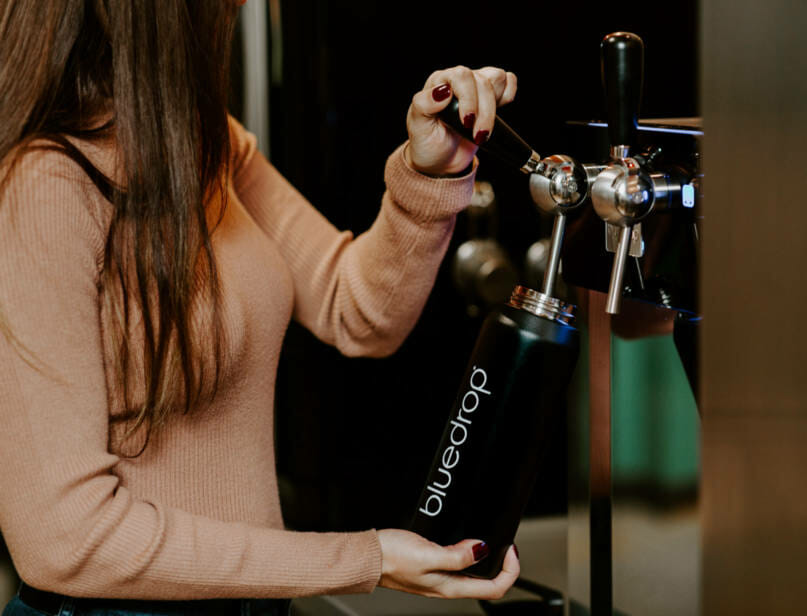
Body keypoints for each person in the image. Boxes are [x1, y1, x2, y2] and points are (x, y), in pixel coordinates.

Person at [0, 1, 520, 614]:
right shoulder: (42, 187)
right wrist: (365, 558)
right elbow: (66, 538)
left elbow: (356, 310)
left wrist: (427, 174)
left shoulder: (200, 141)